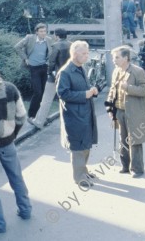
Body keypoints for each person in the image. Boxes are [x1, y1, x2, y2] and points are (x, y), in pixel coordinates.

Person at [0, 55, 32, 233]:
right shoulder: (10, 88)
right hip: (8, 143)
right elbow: (22, 116)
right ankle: (25, 211)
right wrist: (12, 135)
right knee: (16, 177)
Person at [105, 46, 145, 178]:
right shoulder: (116, 71)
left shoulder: (138, 71)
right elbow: (112, 91)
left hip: (134, 112)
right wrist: (109, 107)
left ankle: (137, 169)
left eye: (117, 57)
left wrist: (129, 88)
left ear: (126, 58)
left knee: (135, 140)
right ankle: (125, 166)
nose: (114, 60)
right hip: (119, 110)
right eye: (113, 57)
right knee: (123, 139)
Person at [56, 41, 98, 187]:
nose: (87, 56)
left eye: (87, 53)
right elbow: (62, 93)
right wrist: (85, 94)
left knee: (85, 144)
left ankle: (83, 171)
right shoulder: (65, 72)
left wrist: (91, 90)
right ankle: (79, 177)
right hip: (74, 116)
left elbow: (81, 88)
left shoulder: (80, 67)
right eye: (83, 53)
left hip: (84, 113)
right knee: (78, 147)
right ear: (74, 53)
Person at [29, 28, 71, 129]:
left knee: (46, 100)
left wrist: (49, 72)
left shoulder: (55, 46)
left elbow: (52, 62)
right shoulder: (72, 45)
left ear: (57, 36)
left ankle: (39, 121)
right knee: (68, 100)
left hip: (55, 76)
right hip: (68, 76)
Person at [14, 23, 53, 118]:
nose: (43, 33)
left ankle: (40, 114)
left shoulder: (49, 40)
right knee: (38, 92)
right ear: (36, 32)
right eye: (41, 31)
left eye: (45, 31)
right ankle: (31, 115)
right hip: (34, 68)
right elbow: (17, 47)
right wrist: (25, 58)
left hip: (44, 67)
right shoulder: (29, 38)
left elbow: (51, 52)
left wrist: (48, 61)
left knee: (43, 92)